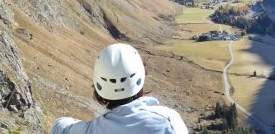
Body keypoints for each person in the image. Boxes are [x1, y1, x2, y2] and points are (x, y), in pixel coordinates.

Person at [51, 43, 188, 134]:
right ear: (139, 77)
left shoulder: (93, 129)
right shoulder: (167, 121)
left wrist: (76, 123)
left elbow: (58, 126)